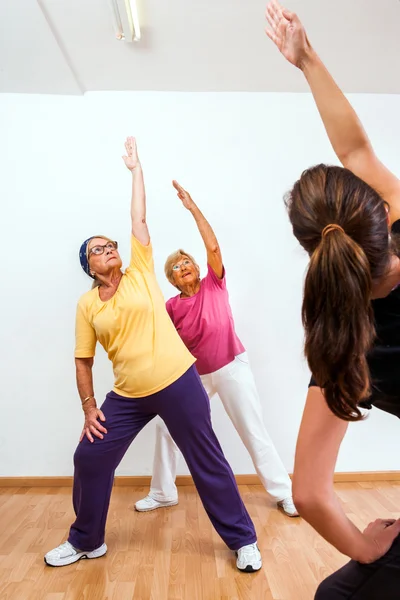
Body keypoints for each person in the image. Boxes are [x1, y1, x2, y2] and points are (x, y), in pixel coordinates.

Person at [44, 137, 262, 573]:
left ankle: (243, 540)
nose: (109, 250)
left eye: (111, 245)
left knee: (207, 461)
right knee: (89, 456)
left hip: (178, 382)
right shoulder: (87, 306)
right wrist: (89, 407)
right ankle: (87, 540)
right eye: (98, 250)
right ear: (89, 267)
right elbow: (83, 360)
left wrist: (136, 170)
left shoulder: (140, 270)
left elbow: (137, 217)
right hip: (127, 395)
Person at [265, 2, 400, 598]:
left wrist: (365, 545)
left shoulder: (345, 344)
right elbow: (357, 153)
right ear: (380, 215)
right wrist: (307, 59)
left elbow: (309, 494)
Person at [135, 181, 298, 518]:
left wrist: (193, 208)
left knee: (252, 428)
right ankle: (163, 493)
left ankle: (284, 492)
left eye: (187, 262)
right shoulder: (171, 306)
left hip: (230, 367)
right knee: (166, 427)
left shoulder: (214, 283)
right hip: (195, 377)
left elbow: (212, 246)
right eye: (177, 268)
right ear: (174, 281)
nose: (184, 267)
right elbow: (162, 341)